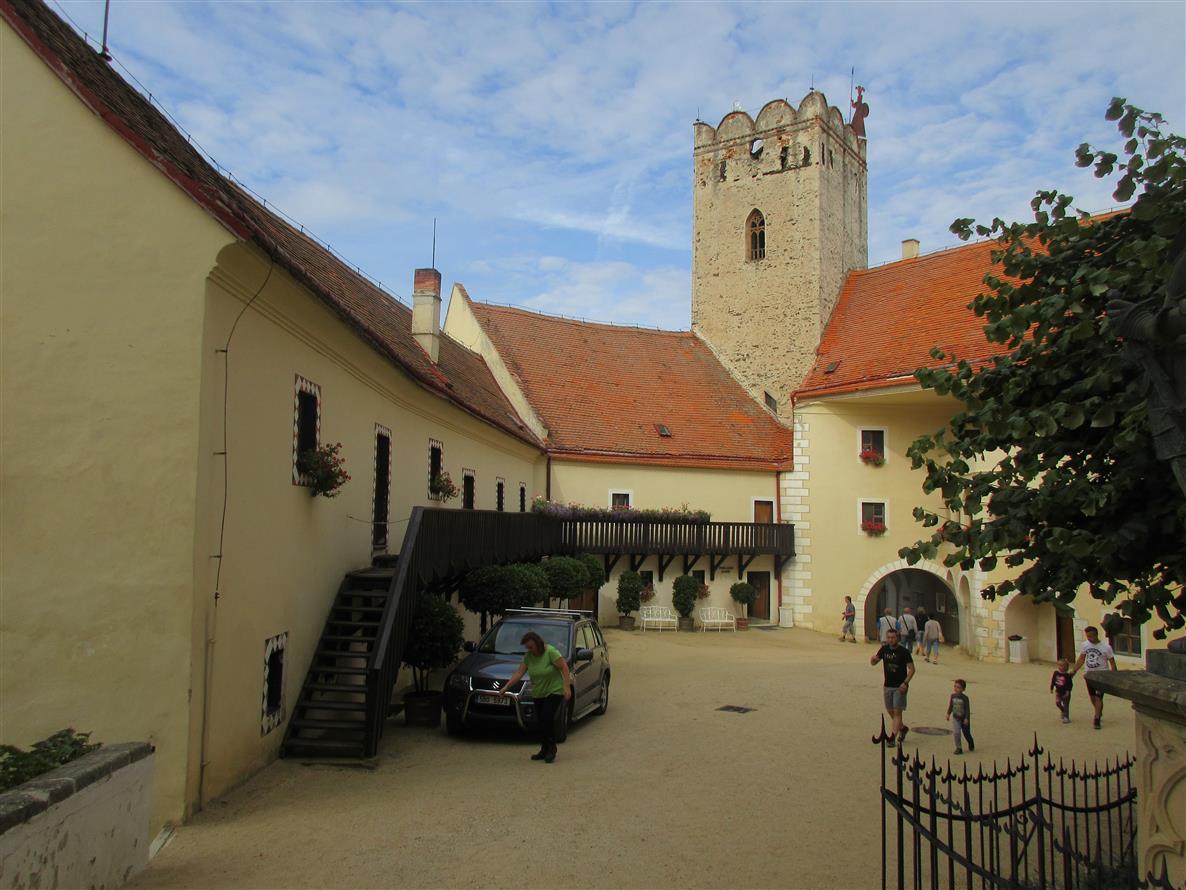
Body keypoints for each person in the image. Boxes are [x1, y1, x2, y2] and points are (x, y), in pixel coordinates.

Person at [498, 631, 573, 762]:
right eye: (527, 647)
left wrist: (566, 687)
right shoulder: (528, 657)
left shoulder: (550, 652)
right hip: (538, 692)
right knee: (541, 721)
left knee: (547, 717)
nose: (530, 650)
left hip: (554, 690)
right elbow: (519, 673)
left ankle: (552, 748)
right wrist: (506, 687)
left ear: (538, 644)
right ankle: (544, 749)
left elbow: (564, 668)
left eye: (531, 647)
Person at [870, 626, 914, 747]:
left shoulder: (904, 652)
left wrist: (905, 683)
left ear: (897, 638)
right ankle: (902, 728)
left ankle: (892, 737)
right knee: (890, 711)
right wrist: (873, 660)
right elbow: (875, 662)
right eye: (888, 637)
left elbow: (912, 669)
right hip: (888, 685)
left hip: (900, 687)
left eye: (893, 637)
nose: (890, 640)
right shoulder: (884, 649)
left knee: (897, 712)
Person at [1070, 625, 1116, 729]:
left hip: (1101, 675)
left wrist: (1114, 676)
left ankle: (1097, 718)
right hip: (1089, 674)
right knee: (1092, 697)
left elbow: (1112, 663)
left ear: (1096, 635)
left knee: (1099, 696)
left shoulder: (1106, 647)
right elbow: (1081, 659)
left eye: (1091, 636)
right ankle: (1098, 711)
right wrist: (1074, 671)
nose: (1089, 638)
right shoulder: (1085, 645)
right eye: (1088, 636)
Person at [946, 679, 975, 755]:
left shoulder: (965, 698)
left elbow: (967, 709)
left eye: (958, 687)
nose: (956, 689)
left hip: (964, 719)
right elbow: (951, 706)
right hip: (956, 718)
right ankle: (959, 748)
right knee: (956, 733)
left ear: (963, 689)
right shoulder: (953, 696)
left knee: (966, 734)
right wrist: (948, 713)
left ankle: (970, 742)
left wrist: (966, 718)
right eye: (955, 686)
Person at [1050, 658, 1074, 724]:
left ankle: (1066, 717)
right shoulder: (1056, 673)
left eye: (1062, 666)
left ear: (1066, 667)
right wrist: (1051, 688)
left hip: (1065, 692)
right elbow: (1053, 680)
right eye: (1059, 665)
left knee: (1066, 705)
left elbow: (1070, 684)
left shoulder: (1067, 676)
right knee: (1057, 703)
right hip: (1058, 692)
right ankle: (1063, 710)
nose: (1060, 667)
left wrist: (1068, 691)